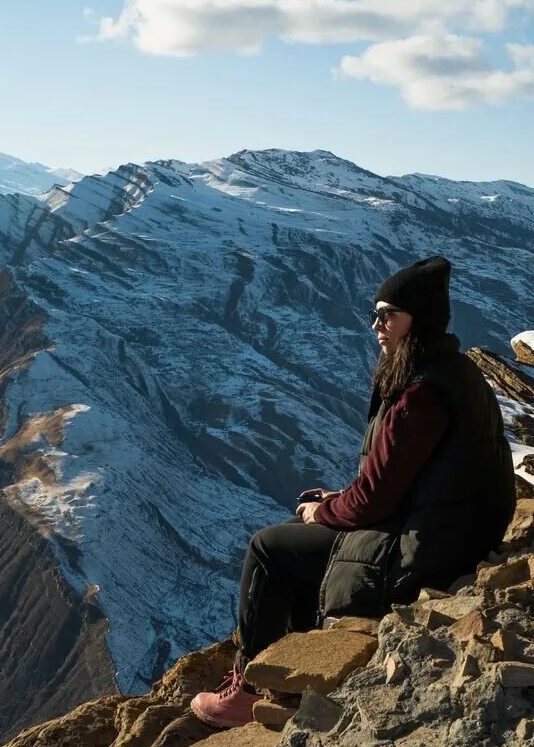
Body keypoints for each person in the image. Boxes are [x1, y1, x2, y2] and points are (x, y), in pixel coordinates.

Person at [191, 255, 515, 728]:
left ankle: (253, 687)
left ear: (417, 319)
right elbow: (405, 479)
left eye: (388, 314)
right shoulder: (453, 373)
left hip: (422, 551)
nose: (376, 325)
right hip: (449, 531)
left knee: (268, 549)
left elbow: (374, 500)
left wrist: (321, 513)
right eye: (375, 314)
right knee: (291, 537)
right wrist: (332, 502)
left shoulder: (420, 395)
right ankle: (294, 670)